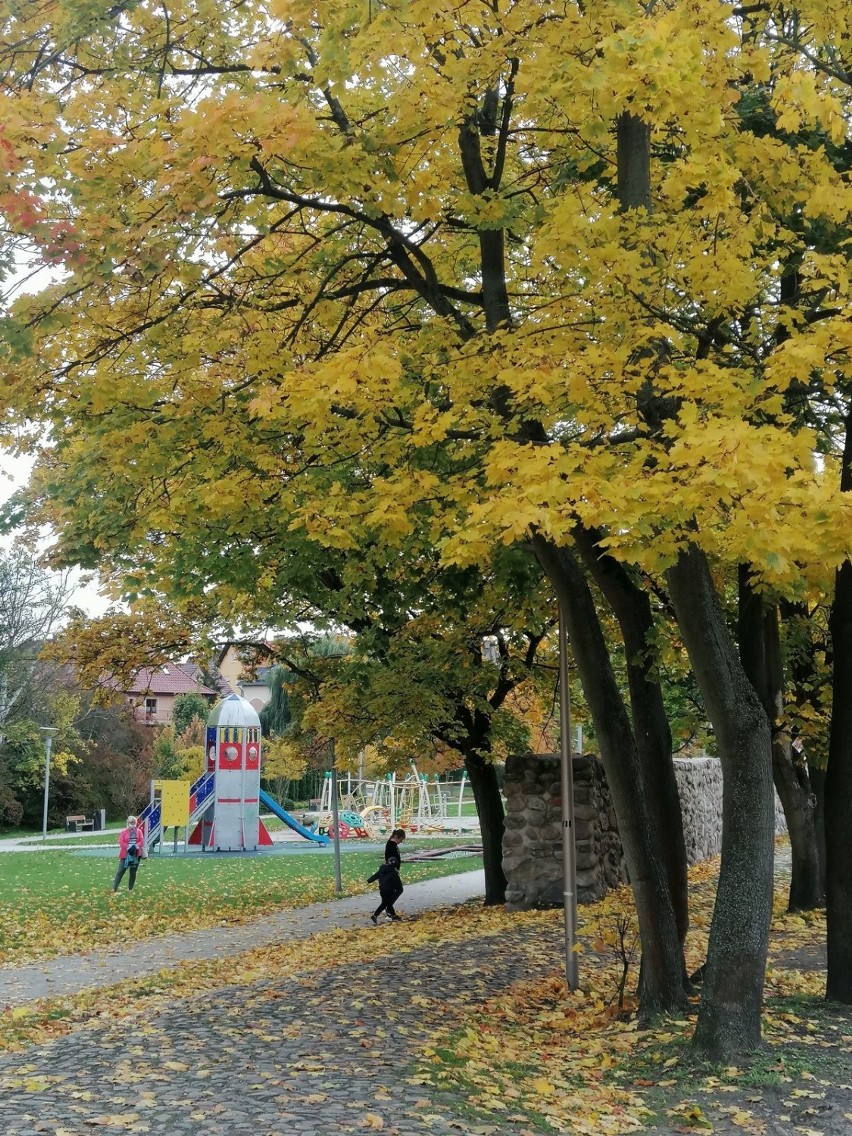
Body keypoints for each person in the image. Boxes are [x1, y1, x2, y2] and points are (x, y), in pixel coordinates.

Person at [112, 815, 146, 893]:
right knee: (120, 871)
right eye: (131, 822)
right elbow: (121, 842)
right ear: (128, 823)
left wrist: (136, 847)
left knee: (133, 872)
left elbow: (141, 841)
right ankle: (114, 889)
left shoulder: (139, 831)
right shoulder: (123, 832)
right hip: (125, 855)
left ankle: (130, 889)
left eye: (134, 823)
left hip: (135, 854)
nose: (133, 824)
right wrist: (128, 848)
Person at [368, 858, 404, 923]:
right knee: (386, 903)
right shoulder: (394, 872)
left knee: (387, 903)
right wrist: (399, 889)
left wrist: (369, 880)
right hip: (390, 890)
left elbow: (376, 875)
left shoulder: (382, 869)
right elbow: (398, 883)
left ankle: (392, 915)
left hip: (382, 889)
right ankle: (375, 915)